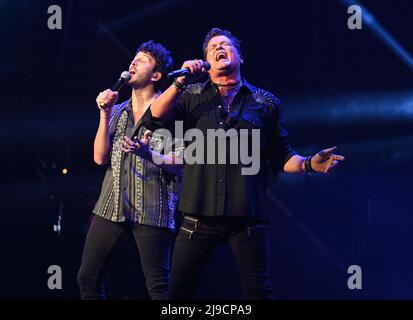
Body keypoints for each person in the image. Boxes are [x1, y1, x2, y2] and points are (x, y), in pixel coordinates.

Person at [142, 28, 345, 299]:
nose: (218, 48)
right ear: (206, 62)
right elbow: (153, 118)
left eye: (225, 45)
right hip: (197, 220)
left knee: (259, 292)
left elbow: (282, 155)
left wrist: (309, 164)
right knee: (178, 295)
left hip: (247, 219)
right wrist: (180, 81)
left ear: (240, 56)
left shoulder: (266, 102)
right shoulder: (190, 95)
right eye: (212, 47)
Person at [77, 40, 184, 300]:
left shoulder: (172, 112)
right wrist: (104, 113)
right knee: (87, 278)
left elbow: (182, 163)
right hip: (110, 205)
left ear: (157, 75)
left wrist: (149, 154)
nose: (134, 62)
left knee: (158, 287)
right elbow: (100, 158)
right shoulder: (120, 111)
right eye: (133, 58)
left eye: (143, 59)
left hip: (152, 207)